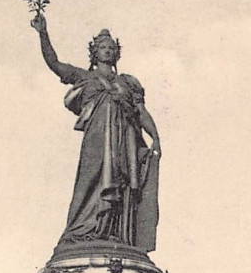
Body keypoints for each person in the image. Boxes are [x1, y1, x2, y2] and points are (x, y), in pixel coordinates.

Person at [30, 13, 161, 252]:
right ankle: (80, 230)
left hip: (124, 144)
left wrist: (155, 137)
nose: (107, 50)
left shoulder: (128, 83)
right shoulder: (86, 77)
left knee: (121, 187)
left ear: (116, 52)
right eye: (102, 47)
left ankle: (115, 234)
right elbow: (55, 64)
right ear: (94, 52)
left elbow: (141, 112)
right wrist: (43, 33)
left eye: (111, 47)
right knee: (90, 182)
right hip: (97, 142)